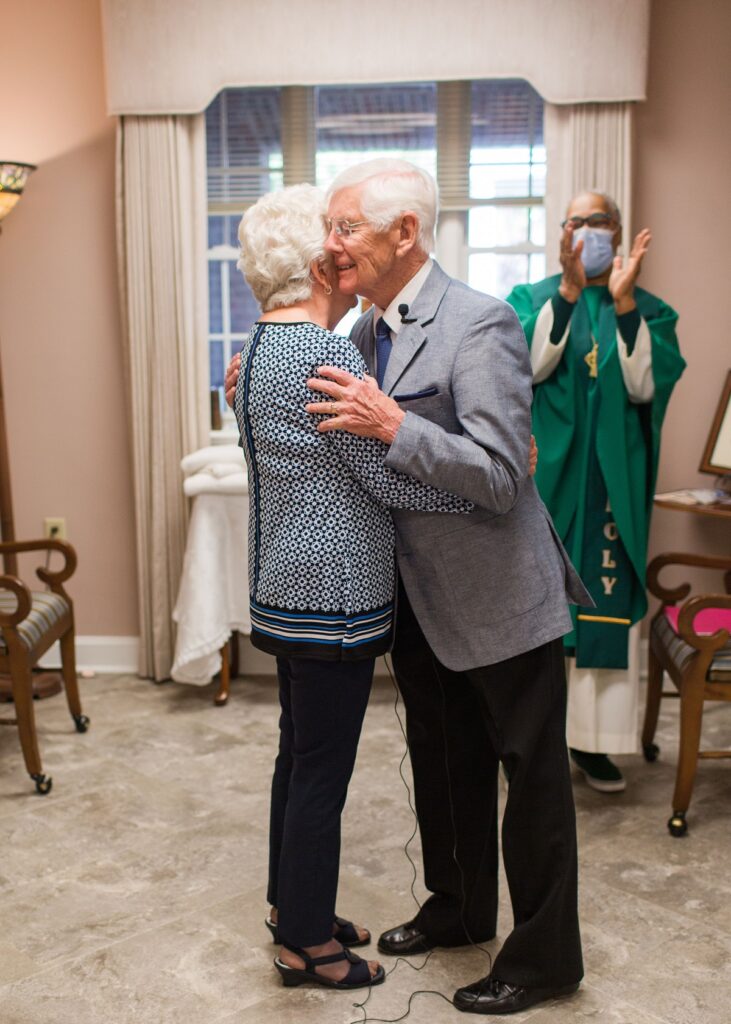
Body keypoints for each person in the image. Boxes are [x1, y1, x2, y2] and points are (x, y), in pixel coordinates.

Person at [226, 158, 591, 1016]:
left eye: (346, 226)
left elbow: (502, 476)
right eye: (329, 228)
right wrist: (249, 386)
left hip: (499, 593)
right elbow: (322, 437)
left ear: (404, 233)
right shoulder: (351, 335)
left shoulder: (481, 323)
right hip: (418, 599)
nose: (332, 243)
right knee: (441, 763)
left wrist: (396, 427)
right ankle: (457, 907)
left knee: (527, 780)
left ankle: (543, 960)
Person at [232, 183, 475, 993]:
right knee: (320, 774)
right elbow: (388, 477)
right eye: (334, 243)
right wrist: (474, 490)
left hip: (283, 583)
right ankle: (305, 944)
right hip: (328, 596)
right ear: (314, 264)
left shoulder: (261, 347)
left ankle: (290, 905)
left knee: (296, 760)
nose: (346, 253)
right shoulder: (321, 355)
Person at [506, 192, 685, 794]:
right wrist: (568, 291)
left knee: (600, 609)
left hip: (610, 484)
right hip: (547, 483)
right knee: (538, 609)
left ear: (618, 230)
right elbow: (524, 368)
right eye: (577, 222)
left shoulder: (649, 310)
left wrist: (625, 302)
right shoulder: (531, 301)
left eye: (599, 221)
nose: (589, 231)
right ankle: (531, 742)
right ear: (563, 234)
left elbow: (643, 389)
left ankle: (594, 744)